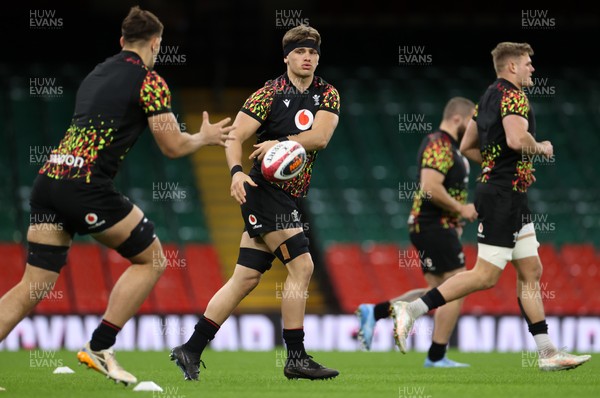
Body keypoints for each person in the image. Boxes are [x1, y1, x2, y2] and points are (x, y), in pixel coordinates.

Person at [0, 6, 234, 386]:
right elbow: (172, 146)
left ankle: (98, 347)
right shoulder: (150, 81)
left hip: (50, 180)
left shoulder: (97, 72)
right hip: (84, 186)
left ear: (121, 41)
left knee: (32, 285)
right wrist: (203, 138)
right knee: (153, 260)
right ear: (156, 44)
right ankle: (99, 346)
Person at [391, 42, 591, 371]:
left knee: (531, 271)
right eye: (528, 63)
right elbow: (516, 140)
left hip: (507, 193)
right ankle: (410, 310)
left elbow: (468, 144)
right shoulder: (513, 96)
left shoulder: (486, 97)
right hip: (502, 197)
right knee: (484, 276)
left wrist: (500, 167)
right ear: (511, 66)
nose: (532, 69)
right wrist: (542, 149)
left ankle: (547, 353)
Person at [170, 24, 341, 381]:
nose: (307, 57)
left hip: (289, 195)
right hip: (263, 190)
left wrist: (283, 143)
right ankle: (296, 357)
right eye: (299, 52)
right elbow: (235, 136)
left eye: (312, 52)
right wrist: (235, 171)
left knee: (245, 279)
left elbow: (321, 137)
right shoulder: (268, 94)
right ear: (286, 57)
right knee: (303, 266)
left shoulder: (328, 95)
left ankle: (190, 348)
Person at [357, 97, 477, 367]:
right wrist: (462, 209)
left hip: (433, 226)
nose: (473, 129)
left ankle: (374, 312)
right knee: (457, 287)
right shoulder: (439, 143)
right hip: (433, 225)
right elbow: (430, 187)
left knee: (437, 291)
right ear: (457, 118)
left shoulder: (451, 148)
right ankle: (436, 356)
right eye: (471, 122)